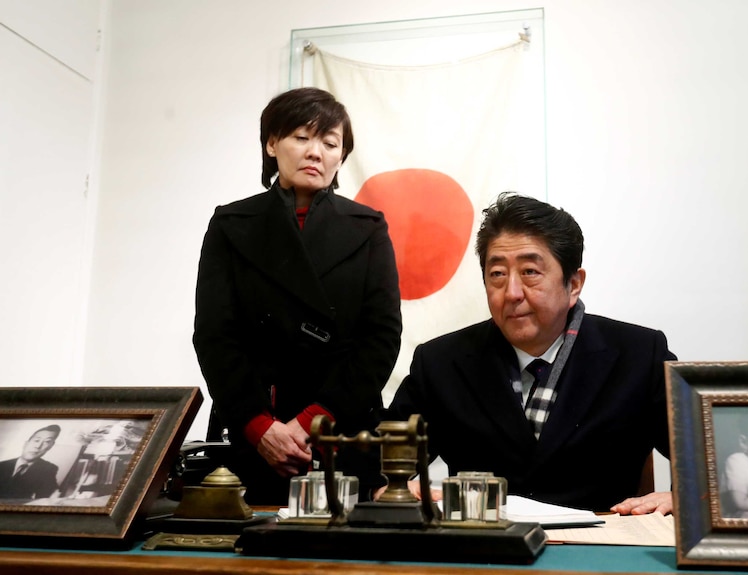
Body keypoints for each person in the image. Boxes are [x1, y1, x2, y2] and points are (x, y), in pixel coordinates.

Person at [384, 192, 676, 514]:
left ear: (574, 284)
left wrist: (685, 498)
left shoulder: (638, 356)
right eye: (497, 274)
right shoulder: (441, 363)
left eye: (530, 272)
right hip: (485, 553)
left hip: (599, 553)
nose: (511, 293)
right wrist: (394, 486)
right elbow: (382, 462)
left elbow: (712, 455)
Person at [193, 87, 402, 504]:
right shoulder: (231, 224)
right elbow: (215, 336)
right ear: (272, 143)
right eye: (302, 138)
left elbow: (381, 339)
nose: (316, 153)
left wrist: (310, 423)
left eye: (330, 143)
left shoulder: (368, 228)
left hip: (340, 432)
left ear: (341, 156)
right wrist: (259, 428)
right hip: (256, 434)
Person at [0, 424, 61, 500]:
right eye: (36, 440)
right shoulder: (2, 465)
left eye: (47, 442)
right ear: (26, 443)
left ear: (50, 447)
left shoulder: (48, 469)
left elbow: (46, 497)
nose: (38, 446)